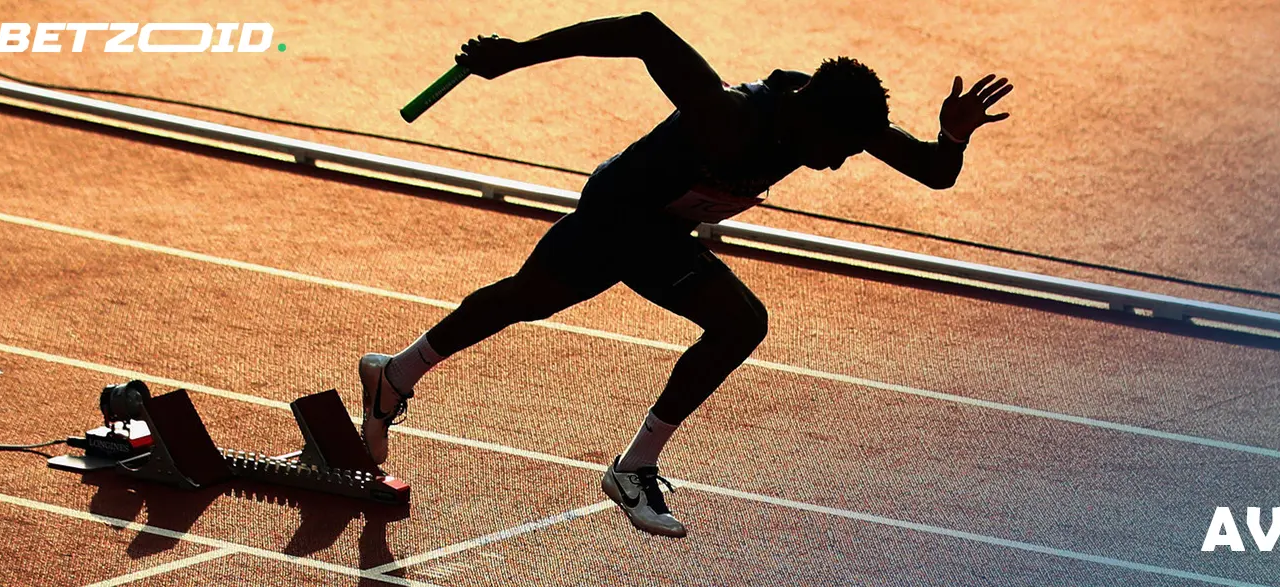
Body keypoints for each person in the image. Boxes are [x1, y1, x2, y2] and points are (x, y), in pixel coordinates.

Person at [359, 12, 1012, 538]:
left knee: (533, 299)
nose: (840, 164)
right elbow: (643, 30)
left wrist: (952, 136)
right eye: (838, 150)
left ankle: (395, 374)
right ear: (813, 119)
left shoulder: (838, 115)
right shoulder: (729, 118)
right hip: (621, 212)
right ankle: (629, 465)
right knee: (703, 317)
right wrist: (516, 54)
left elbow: (933, 171)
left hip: (661, 230)